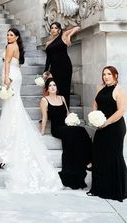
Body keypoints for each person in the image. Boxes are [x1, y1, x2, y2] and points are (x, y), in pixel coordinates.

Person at [0, 28, 62, 193]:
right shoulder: (17, 47)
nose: (8, 36)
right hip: (16, 74)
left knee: (11, 103)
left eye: (11, 35)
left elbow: (6, 63)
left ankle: (11, 132)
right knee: (13, 103)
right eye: (8, 34)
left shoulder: (10, 47)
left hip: (11, 75)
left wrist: (5, 78)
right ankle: (14, 127)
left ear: (16, 37)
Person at [40, 78, 92, 189]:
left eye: (54, 85)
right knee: (78, 132)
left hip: (66, 126)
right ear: (47, 88)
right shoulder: (45, 100)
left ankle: (88, 160)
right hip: (57, 128)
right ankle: (88, 160)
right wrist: (42, 132)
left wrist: (72, 120)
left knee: (79, 131)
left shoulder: (62, 98)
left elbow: (68, 113)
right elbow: (44, 117)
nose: (53, 87)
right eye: (50, 85)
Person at [87, 66, 127, 201]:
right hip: (101, 127)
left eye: (109, 74)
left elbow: (121, 111)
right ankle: (99, 188)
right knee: (99, 155)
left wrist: (106, 122)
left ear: (115, 75)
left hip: (115, 128)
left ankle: (117, 190)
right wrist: (94, 117)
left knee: (114, 156)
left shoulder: (119, 91)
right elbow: (95, 104)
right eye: (104, 74)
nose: (106, 76)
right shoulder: (100, 89)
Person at [44, 22, 80, 107]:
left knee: (64, 90)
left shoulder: (63, 36)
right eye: (52, 28)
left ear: (59, 30)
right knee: (54, 89)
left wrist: (69, 35)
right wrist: (46, 71)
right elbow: (48, 58)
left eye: (55, 28)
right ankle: (54, 111)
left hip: (65, 67)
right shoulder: (48, 43)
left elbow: (77, 28)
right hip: (54, 68)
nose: (53, 30)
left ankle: (65, 111)